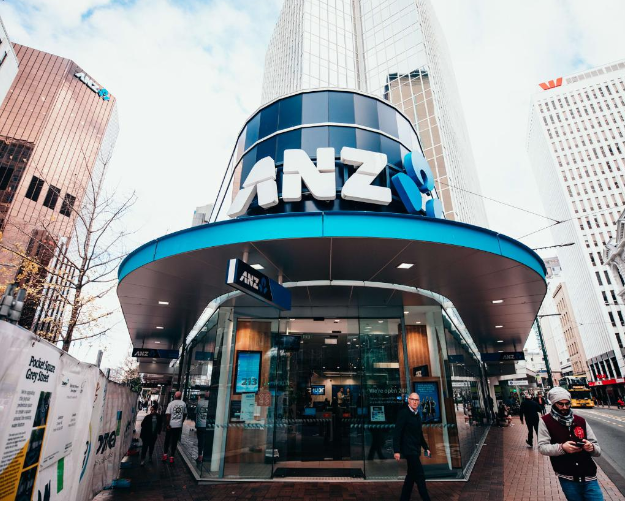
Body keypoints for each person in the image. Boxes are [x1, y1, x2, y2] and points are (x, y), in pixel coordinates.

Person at [537, 387, 603, 501]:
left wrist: (591, 447)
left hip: (589, 476)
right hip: (567, 477)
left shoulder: (580, 420)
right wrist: (562, 448)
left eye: (567, 404)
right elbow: (542, 447)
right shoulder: (545, 421)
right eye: (560, 404)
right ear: (553, 403)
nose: (564, 407)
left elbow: (597, 450)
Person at [393, 393, 431, 501]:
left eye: (417, 400)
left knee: (411, 476)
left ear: (419, 402)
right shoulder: (404, 413)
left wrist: (426, 447)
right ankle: (426, 500)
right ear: (408, 401)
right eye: (413, 399)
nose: (415, 402)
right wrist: (396, 450)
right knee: (420, 475)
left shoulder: (417, 414)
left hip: (415, 449)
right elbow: (397, 432)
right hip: (408, 449)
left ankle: (404, 499)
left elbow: (419, 433)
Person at [162, 391, 187, 464]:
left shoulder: (171, 404)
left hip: (170, 425)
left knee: (167, 440)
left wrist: (167, 424)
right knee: (174, 441)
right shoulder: (183, 404)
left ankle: (165, 455)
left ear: (175, 396)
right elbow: (185, 414)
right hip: (178, 426)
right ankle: (172, 457)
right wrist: (181, 421)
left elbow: (168, 415)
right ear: (180, 396)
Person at [195, 392, 209, 463]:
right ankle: (206, 456)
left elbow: (196, 413)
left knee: (200, 442)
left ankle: (200, 456)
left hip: (200, 425)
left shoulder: (199, 403)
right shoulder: (212, 403)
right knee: (207, 441)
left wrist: (196, 424)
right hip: (208, 426)